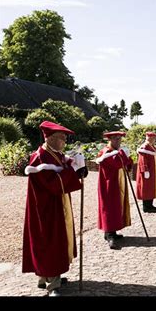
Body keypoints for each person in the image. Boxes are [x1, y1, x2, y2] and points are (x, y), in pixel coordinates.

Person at [23, 121, 87, 297]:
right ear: (50, 138)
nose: (64, 142)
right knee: (48, 240)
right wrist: (72, 171)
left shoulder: (53, 153)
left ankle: (47, 276)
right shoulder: (40, 158)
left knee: (55, 240)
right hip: (46, 208)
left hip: (56, 205)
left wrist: (78, 169)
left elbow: (64, 169)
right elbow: (52, 184)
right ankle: (52, 284)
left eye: (65, 138)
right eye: (61, 138)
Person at [96, 131, 133, 250]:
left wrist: (127, 160)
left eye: (119, 138)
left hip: (118, 183)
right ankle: (109, 234)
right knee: (109, 207)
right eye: (116, 139)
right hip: (109, 185)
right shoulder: (106, 152)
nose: (118, 141)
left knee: (117, 206)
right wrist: (125, 159)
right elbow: (117, 163)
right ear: (110, 139)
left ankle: (113, 231)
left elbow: (127, 163)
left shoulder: (119, 151)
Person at [136, 132, 156, 213]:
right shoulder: (145, 146)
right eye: (152, 138)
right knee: (146, 189)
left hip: (152, 171)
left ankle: (150, 205)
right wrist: (145, 170)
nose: (154, 139)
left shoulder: (151, 146)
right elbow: (142, 160)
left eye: (154, 138)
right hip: (148, 172)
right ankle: (146, 207)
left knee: (151, 188)